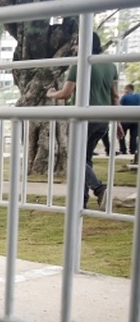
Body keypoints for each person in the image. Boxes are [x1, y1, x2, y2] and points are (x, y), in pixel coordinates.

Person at [46, 31, 119, 208]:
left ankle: (99, 188)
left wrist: (51, 93)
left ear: (85, 44)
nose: (73, 47)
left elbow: (65, 93)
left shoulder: (79, 66)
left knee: (75, 158)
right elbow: (115, 96)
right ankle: (81, 200)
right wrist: (117, 119)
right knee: (85, 159)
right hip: (104, 119)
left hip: (85, 118)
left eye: (76, 43)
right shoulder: (110, 65)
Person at [119, 83, 138, 157]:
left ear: (128, 89)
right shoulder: (138, 96)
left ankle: (123, 150)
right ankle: (133, 150)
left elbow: (120, 107)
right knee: (133, 136)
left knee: (122, 135)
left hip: (125, 119)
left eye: (125, 89)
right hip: (136, 119)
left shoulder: (124, 97)